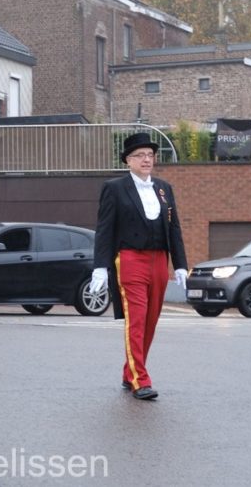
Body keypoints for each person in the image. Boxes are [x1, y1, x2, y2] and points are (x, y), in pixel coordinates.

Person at [91, 132, 188, 401]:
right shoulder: (114, 188)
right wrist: (100, 267)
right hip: (131, 259)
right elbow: (104, 229)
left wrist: (180, 264)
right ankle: (139, 379)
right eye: (140, 155)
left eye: (150, 155)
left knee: (150, 321)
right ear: (128, 160)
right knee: (136, 319)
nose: (147, 159)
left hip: (159, 260)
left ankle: (130, 371)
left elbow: (174, 229)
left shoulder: (164, 188)